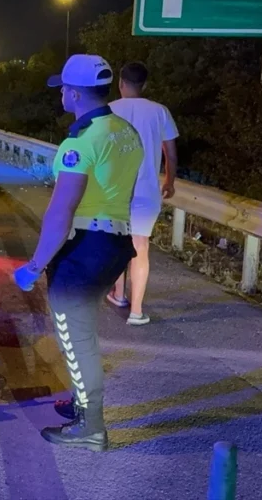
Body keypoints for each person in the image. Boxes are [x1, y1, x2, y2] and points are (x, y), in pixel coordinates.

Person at [13, 54, 144, 451]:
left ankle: (91, 427)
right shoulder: (125, 131)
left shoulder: (81, 141)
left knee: (76, 337)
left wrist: (34, 266)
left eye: (63, 90)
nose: (61, 95)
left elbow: (61, 210)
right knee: (82, 332)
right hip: (117, 242)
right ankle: (82, 402)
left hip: (88, 246)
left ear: (73, 93)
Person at [107, 62, 179, 325]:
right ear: (145, 85)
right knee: (140, 246)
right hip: (147, 192)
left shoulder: (109, 111)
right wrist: (169, 182)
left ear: (121, 83)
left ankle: (118, 293)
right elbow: (170, 153)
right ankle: (136, 311)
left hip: (114, 192)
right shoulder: (160, 112)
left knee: (117, 242)